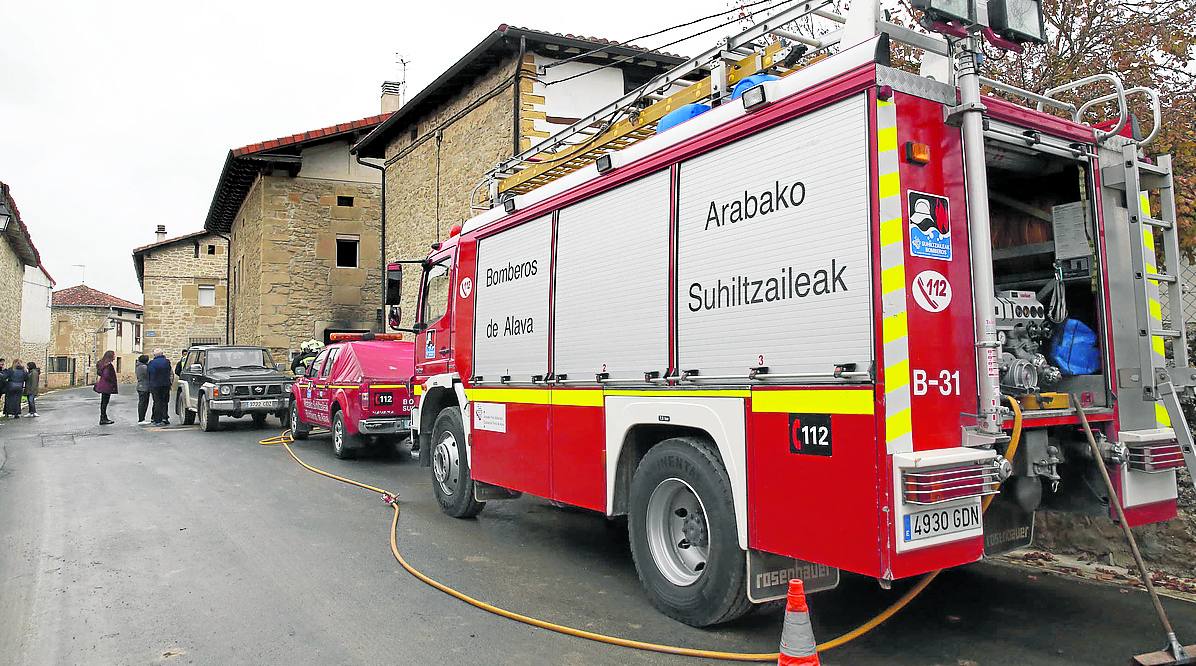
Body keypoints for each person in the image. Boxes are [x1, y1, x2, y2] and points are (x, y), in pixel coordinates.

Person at [147, 349, 172, 426]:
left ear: (154, 355)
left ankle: (157, 419)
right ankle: (165, 417)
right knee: (165, 401)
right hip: (165, 384)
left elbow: (149, 373)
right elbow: (170, 372)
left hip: (155, 385)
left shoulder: (151, 363)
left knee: (157, 401)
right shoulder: (167, 362)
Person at [94, 351, 118, 425]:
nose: (115, 356)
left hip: (103, 384)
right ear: (110, 356)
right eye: (114, 355)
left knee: (103, 402)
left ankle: (103, 417)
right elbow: (107, 375)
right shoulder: (108, 365)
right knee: (105, 402)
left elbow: (100, 373)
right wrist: (112, 381)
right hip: (107, 385)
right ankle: (103, 418)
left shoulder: (101, 364)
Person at [135, 354, 151, 424]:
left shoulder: (139, 366)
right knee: (143, 403)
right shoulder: (144, 367)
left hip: (141, 386)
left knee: (143, 402)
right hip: (144, 387)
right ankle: (141, 419)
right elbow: (149, 374)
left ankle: (142, 418)